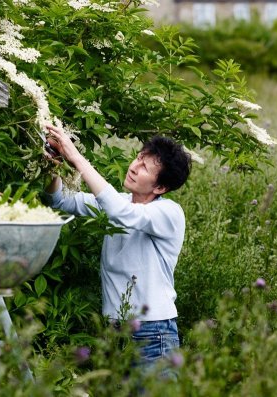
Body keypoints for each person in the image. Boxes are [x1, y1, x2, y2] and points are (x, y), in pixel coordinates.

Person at [43, 124, 191, 371]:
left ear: (160, 187)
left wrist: (76, 156)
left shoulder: (168, 213)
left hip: (152, 333)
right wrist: (52, 166)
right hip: (114, 330)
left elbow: (121, 212)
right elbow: (59, 200)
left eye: (145, 167)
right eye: (138, 158)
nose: (134, 166)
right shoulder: (119, 203)